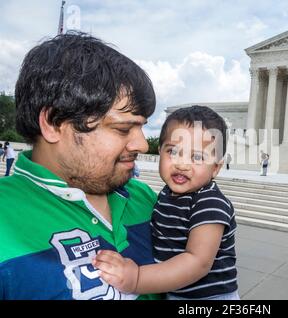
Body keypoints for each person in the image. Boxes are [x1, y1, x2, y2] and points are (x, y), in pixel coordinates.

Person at [0, 32, 160, 300]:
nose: (142, 145)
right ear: (53, 123)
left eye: (142, 128)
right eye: (123, 128)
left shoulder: (146, 198)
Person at [93, 105, 239, 300]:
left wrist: (136, 278)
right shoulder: (166, 194)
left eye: (197, 157)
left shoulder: (210, 203)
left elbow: (197, 262)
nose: (182, 164)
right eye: (173, 151)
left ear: (215, 168)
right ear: (159, 151)